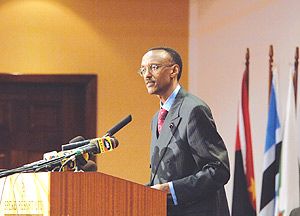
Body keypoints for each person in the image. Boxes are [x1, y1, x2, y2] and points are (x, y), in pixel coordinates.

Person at [139, 47, 230, 216]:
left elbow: (218, 170)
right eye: (143, 70)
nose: (147, 75)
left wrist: (171, 189)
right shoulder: (157, 118)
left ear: (174, 70)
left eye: (154, 67)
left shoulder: (193, 109)